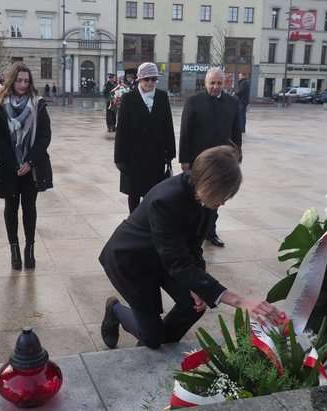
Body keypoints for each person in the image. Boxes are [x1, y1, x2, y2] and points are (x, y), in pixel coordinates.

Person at [100, 146, 286, 349]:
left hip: (165, 256)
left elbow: (194, 247)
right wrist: (240, 301)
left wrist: (198, 284)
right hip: (130, 261)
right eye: (221, 196)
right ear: (207, 184)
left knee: (193, 306)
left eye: (227, 197)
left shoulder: (206, 199)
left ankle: (156, 341)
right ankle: (116, 310)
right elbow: (177, 261)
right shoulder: (165, 200)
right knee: (152, 338)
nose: (222, 203)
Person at [0, 63, 52, 270]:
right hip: (9, 166)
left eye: (26, 81)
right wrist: (16, 163)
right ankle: (14, 250)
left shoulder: (38, 104)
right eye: (19, 80)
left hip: (32, 167)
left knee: (29, 208)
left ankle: (29, 249)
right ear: (11, 80)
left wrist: (29, 161)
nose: (23, 84)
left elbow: (44, 136)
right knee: (11, 207)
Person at [179, 67, 241, 248]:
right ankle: (193, 232)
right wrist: (184, 160)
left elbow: (236, 131)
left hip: (223, 161)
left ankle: (210, 232)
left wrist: (237, 155)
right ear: (205, 83)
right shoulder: (193, 102)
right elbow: (185, 133)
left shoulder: (232, 102)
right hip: (199, 162)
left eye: (219, 83)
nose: (215, 86)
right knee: (196, 197)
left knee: (217, 198)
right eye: (212, 83)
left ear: (224, 83)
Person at [114, 62, 176, 213]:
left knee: (154, 194)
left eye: (153, 79)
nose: (150, 83)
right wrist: (119, 159)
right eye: (146, 79)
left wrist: (171, 152)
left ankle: (150, 224)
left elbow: (168, 125)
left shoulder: (161, 96)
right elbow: (121, 131)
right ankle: (134, 223)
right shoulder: (129, 99)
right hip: (133, 157)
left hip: (157, 156)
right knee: (134, 194)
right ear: (139, 80)